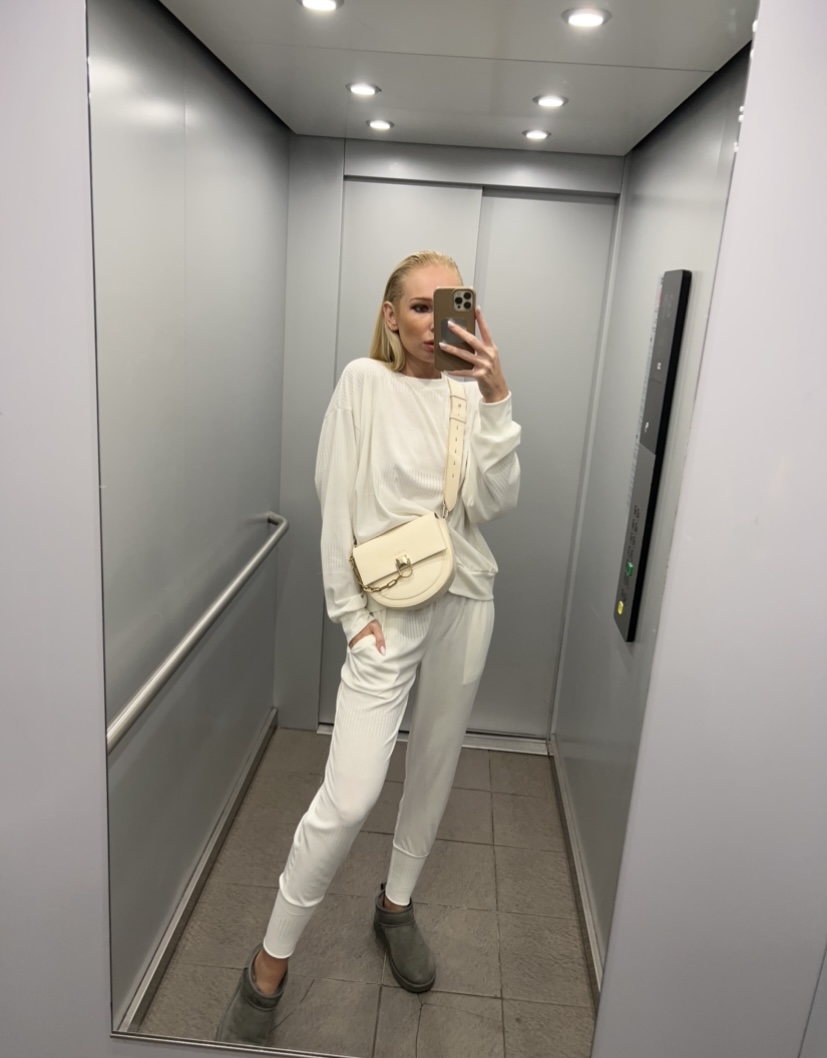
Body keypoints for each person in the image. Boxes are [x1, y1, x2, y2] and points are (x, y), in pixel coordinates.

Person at [217, 250, 521, 1045]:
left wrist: (496, 397)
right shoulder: (362, 383)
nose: (433, 323)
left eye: (449, 306)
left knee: (435, 765)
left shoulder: (468, 394)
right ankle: (268, 961)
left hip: (465, 599)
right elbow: (335, 501)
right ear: (390, 316)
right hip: (386, 610)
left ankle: (395, 906)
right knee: (349, 796)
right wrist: (351, 617)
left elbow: (495, 501)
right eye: (418, 307)